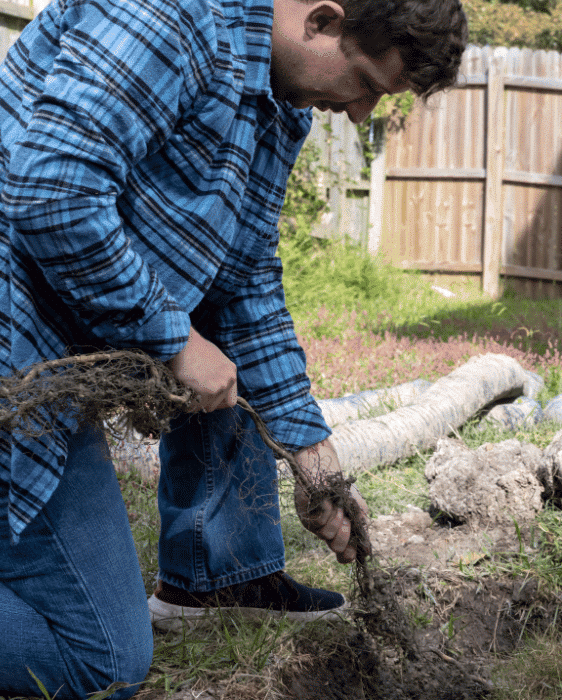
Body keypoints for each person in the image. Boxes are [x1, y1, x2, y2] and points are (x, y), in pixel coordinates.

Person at [0, 0, 466, 696]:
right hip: (13, 348)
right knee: (95, 660)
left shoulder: (278, 109)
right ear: (321, 19)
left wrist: (312, 456)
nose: (362, 113)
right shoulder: (169, 19)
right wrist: (175, 340)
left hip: (52, 387)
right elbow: (54, 194)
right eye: (366, 82)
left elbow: (245, 281)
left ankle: (218, 576)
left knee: (108, 657)